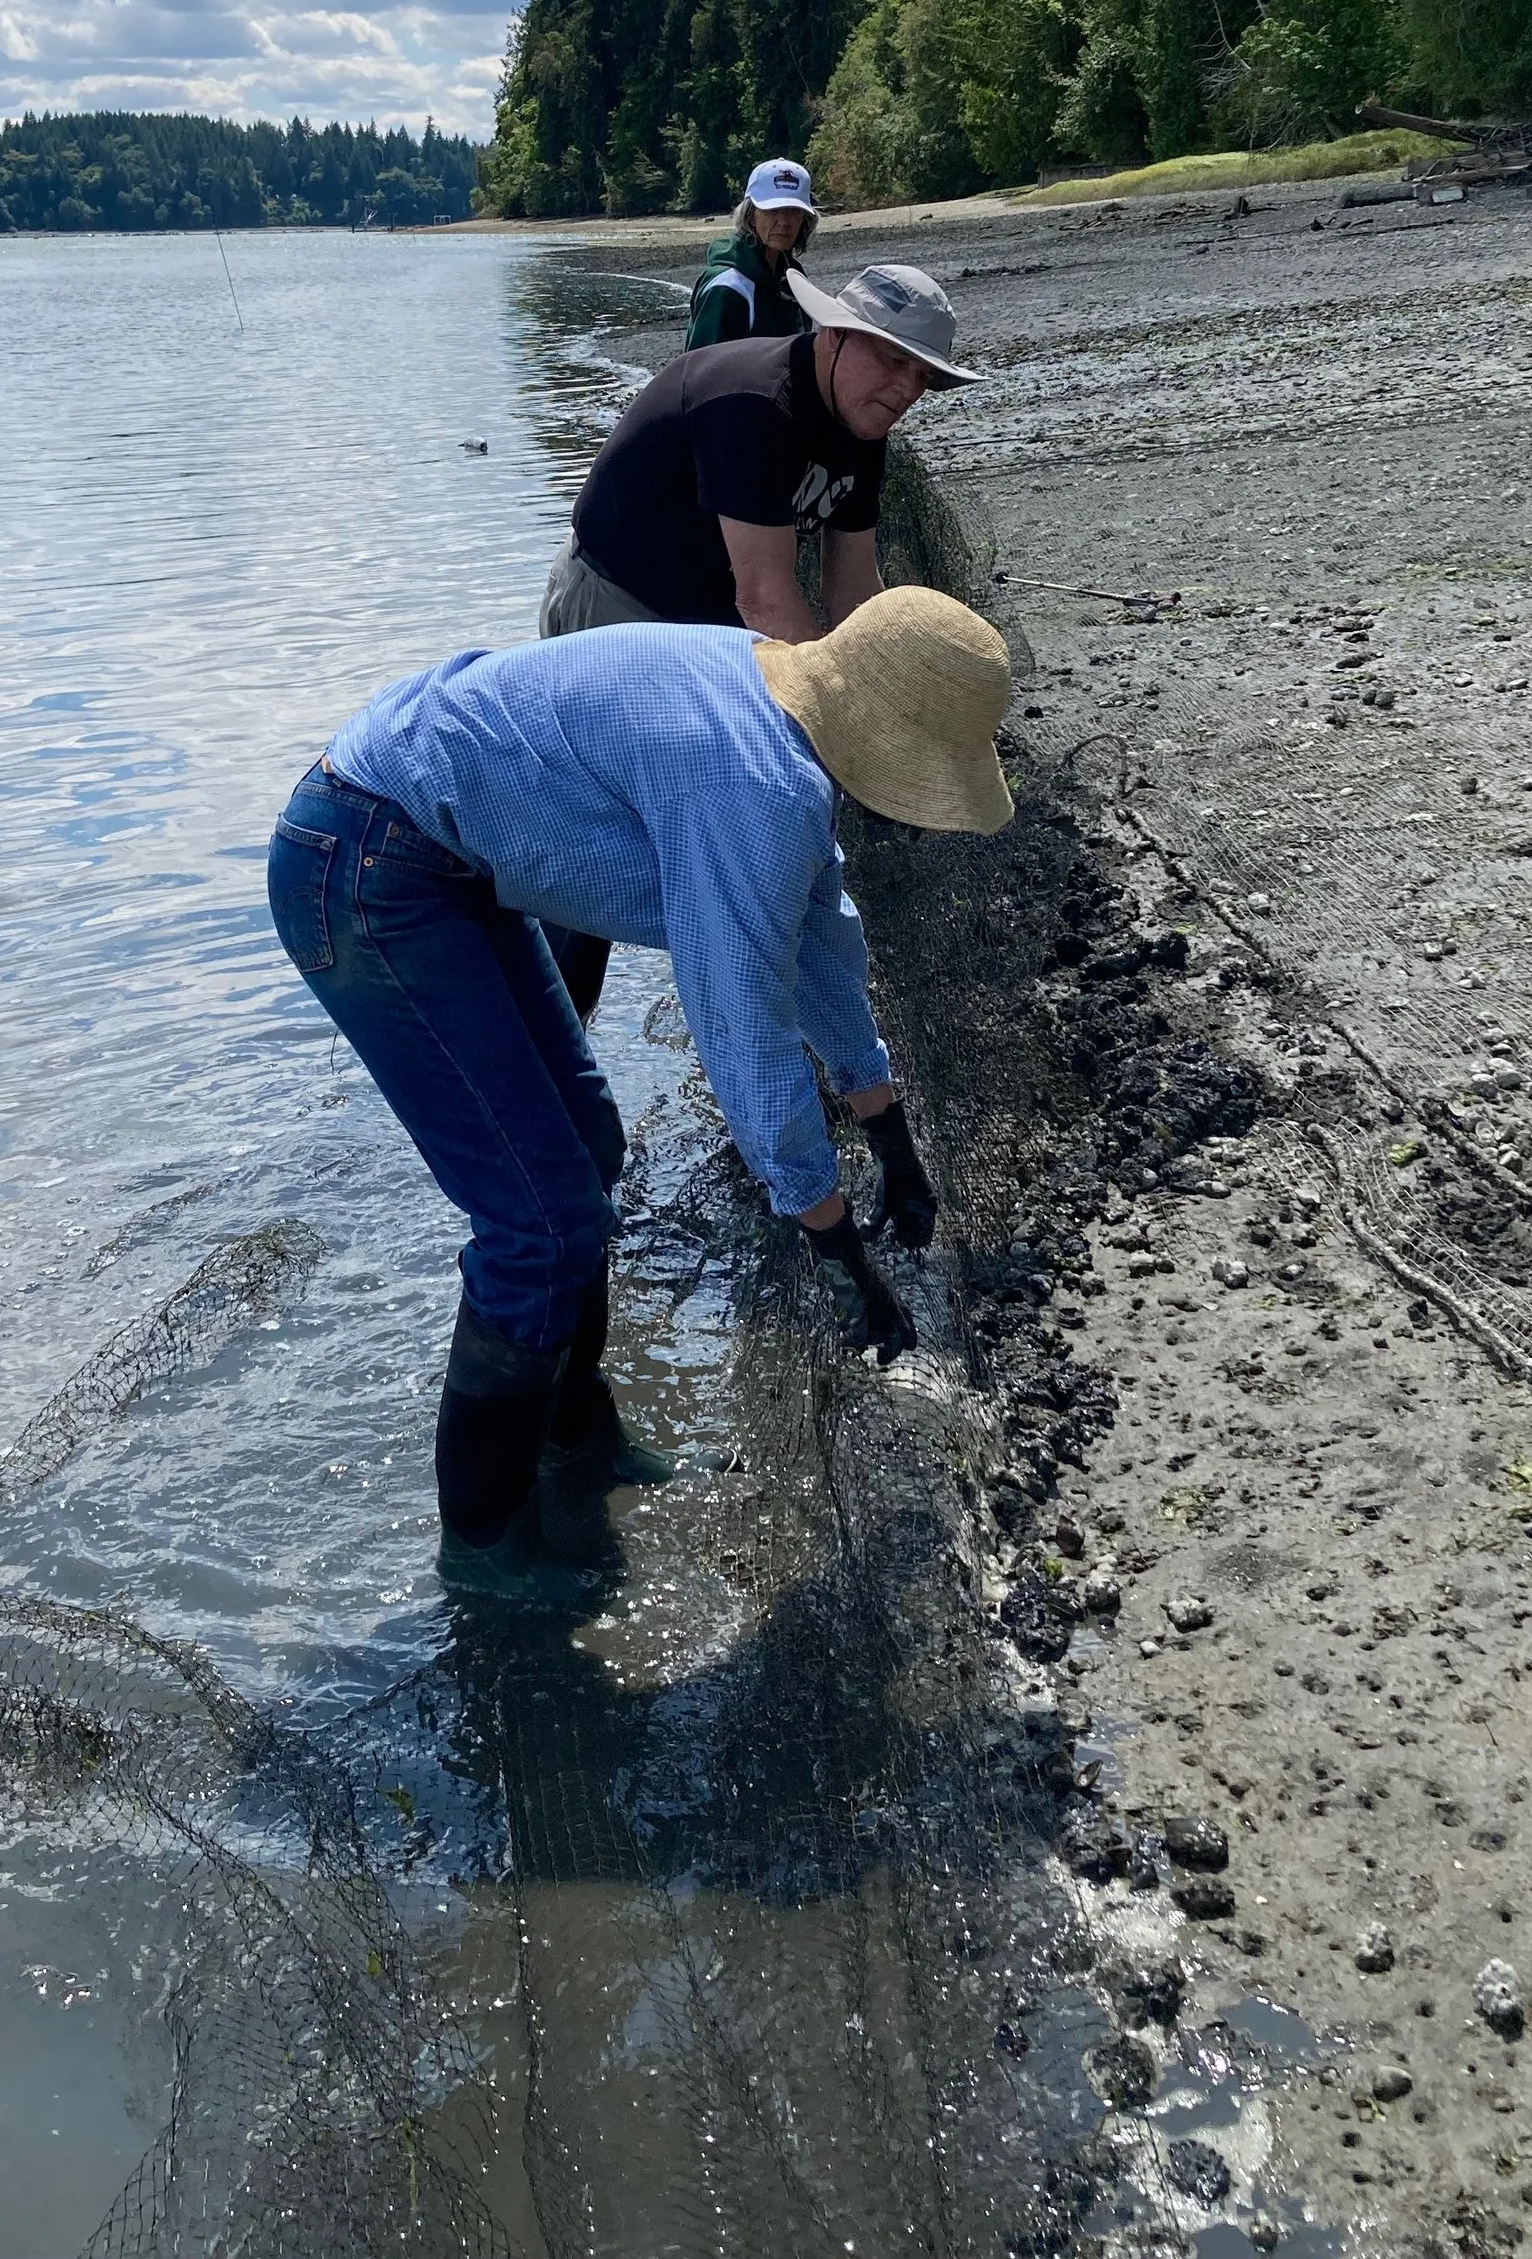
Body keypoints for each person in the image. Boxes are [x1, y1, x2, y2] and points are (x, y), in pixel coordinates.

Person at [265, 587, 1014, 1604]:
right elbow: (744, 1031)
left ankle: (580, 1443)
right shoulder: (750, 780)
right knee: (535, 1224)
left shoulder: (780, 706)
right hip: (363, 862)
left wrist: (888, 1133)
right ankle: (481, 1551)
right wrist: (841, 1253)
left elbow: (820, 940)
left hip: (439, 851)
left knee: (588, 1148)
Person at [540, 259, 975, 648]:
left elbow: (852, 587)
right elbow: (764, 599)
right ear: (835, 334)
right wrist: (840, 702)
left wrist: (886, 682)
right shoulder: (754, 403)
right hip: (615, 598)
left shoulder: (862, 426)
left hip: (713, 616)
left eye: (924, 377)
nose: (907, 390)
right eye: (894, 361)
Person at [684, 157, 818, 346]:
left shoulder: (792, 279)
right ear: (750, 215)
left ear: (805, 220)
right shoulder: (726, 288)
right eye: (772, 210)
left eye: (793, 210)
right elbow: (698, 370)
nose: (784, 222)